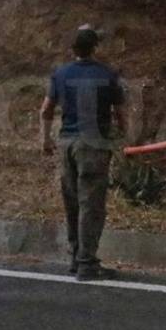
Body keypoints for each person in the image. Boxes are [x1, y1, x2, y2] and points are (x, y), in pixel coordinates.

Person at [40, 26, 128, 281]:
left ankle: (76, 258)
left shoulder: (60, 74)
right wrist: (123, 136)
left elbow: (45, 111)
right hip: (93, 145)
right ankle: (87, 263)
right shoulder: (108, 75)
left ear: (73, 49)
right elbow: (121, 113)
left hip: (66, 143)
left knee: (72, 202)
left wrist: (45, 141)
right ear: (95, 48)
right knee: (92, 204)